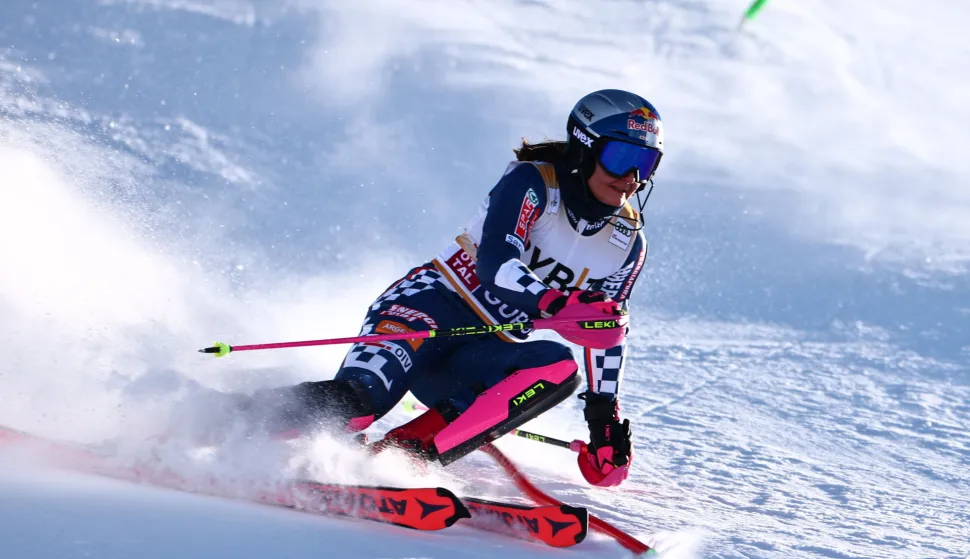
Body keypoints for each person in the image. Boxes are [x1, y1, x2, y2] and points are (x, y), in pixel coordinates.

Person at [205, 89, 663, 488]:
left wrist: (604, 421)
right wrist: (555, 303)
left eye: (646, 163)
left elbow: (608, 330)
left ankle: (405, 456)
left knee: (558, 367)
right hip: (427, 310)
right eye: (621, 158)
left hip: (481, 352)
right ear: (584, 150)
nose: (631, 178)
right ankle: (206, 420)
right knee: (358, 405)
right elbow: (496, 264)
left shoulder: (627, 243)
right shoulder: (533, 184)